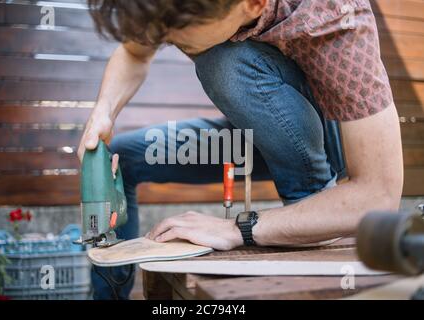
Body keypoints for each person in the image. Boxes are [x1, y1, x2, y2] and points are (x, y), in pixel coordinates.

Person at [78, 0, 403, 299]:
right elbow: (135, 53)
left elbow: (379, 195)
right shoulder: (183, 8)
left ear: (254, 5)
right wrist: (102, 114)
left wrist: (238, 228)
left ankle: (313, 206)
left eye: (181, 41)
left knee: (222, 61)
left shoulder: (338, 19)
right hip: (262, 134)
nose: (169, 42)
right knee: (127, 155)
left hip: (330, 148)